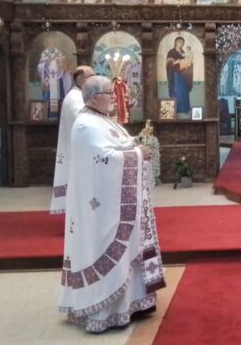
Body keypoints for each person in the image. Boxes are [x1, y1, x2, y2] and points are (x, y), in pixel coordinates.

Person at [59, 76, 164, 333]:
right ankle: (107, 310)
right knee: (112, 247)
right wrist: (138, 153)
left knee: (132, 249)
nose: (115, 97)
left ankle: (135, 302)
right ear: (95, 97)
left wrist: (135, 146)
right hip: (102, 208)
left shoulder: (102, 120)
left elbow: (119, 145)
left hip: (117, 201)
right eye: (109, 92)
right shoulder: (85, 125)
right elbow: (105, 159)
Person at [50, 65, 94, 215]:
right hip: (79, 149)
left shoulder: (79, 95)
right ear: (80, 79)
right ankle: (81, 216)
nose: (94, 79)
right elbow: (83, 120)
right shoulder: (75, 98)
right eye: (91, 76)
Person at [37, 39, 73, 119]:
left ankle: (60, 114)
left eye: (53, 42)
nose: (51, 43)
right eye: (50, 42)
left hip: (58, 80)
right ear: (47, 44)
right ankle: (48, 114)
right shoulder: (45, 53)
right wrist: (45, 63)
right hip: (47, 79)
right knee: (48, 96)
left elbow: (64, 65)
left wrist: (60, 63)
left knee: (59, 95)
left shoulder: (58, 52)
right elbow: (40, 66)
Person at [166, 36, 194, 115]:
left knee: (184, 92)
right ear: (176, 42)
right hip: (175, 75)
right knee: (177, 92)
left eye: (182, 43)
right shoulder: (171, 52)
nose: (181, 44)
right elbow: (169, 63)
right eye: (179, 42)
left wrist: (189, 63)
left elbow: (188, 60)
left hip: (183, 75)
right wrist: (177, 61)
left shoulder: (183, 52)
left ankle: (185, 109)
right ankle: (176, 110)